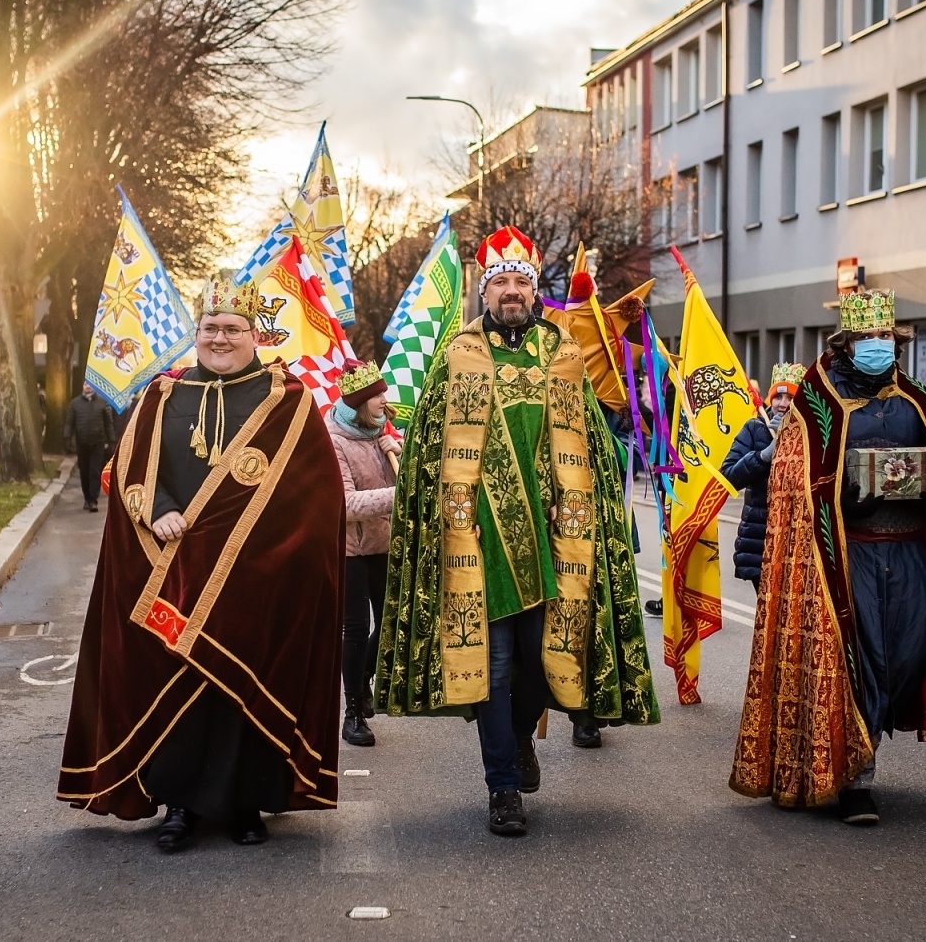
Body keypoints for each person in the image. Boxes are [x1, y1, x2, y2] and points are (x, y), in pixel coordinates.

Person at [378, 226, 659, 838]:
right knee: (494, 668)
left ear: (535, 292)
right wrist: (446, 517)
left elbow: (593, 446)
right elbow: (429, 452)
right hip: (475, 548)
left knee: (541, 662)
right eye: (500, 282)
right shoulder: (458, 356)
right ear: (485, 291)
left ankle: (522, 746)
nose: (511, 292)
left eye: (520, 283)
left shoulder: (563, 355)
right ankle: (502, 785)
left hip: (559, 545)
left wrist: (595, 500)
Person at [58, 276, 345, 852]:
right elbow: (132, 466)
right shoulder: (162, 395)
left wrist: (280, 557)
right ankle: (180, 807)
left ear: (253, 334)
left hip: (256, 580)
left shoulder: (287, 401)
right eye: (210, 328)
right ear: (196, 333)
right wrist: (157, 510)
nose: (220, 338)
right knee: (182, 689)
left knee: (241, 692)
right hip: (176, 574)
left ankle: (245, 806)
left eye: (231, 329)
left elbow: (316, 497)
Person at [731, 289, 926, 826]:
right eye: (868, 338)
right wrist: (844, 494)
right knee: (861, 661)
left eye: (886, 337)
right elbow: (795, 482)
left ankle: (865, 739)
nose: (878, 346)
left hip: (909, 554)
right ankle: (859, 778)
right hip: (846, 556)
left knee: (913, 653)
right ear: (847, 343)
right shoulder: (817, 399)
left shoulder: (919, 401)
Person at [326, 359, 400, 748]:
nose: (385, 402)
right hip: (352, 548)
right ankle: (353, 710)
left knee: (390, 618)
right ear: (359, 402)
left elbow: (406, 476)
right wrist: (398, 496)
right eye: (377, 396)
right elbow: (347, 503)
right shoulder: (334, 439)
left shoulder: (380, 432)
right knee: (354, 628)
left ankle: (366, 677)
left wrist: (401, 454)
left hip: (385, 542)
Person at [721, 363, 802, 588]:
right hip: (761, 536)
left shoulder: (811, 433)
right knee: (765, 611)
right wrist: (763, 456)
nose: (783, 404)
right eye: (778, 397)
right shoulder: (755, 428)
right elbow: (729, 476)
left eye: (791, 398)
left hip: (796, 537)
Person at [64, 381, 115, 513]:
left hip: (97, 443)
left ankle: (93, 500)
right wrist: (67, 438)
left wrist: (112, 441)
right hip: (82, 444)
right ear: (82, 386)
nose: (88, 386)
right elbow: (69, 423)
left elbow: (108, 424)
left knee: (95, 472)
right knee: (84, 472)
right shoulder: (75, 404)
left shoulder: (102, 404)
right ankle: (87, 497)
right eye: (85, 383)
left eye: (90, 384)